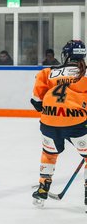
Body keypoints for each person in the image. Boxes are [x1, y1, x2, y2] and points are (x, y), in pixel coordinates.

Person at [30, 40, 87, 207]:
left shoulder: (47, 72)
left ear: (66, 55)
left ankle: (42, 190)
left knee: (49, 154)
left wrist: (55, 112)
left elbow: (36, 102)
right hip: (76, 122)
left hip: (49, 121)